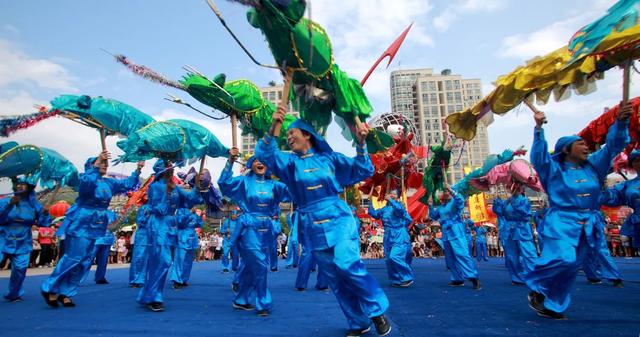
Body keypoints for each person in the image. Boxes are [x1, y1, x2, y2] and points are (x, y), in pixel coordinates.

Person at [255, 110, 391, 337]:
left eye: (292, 133)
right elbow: (265, 155)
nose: (288, 137)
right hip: (311, 224)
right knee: (335, 279)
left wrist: (360, 144)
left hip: (338, 217)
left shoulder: (330, 158)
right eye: (286, 134)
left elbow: (363, 169)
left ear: (307, 135)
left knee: (347, 264)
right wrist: (274, 128)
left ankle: (377, 311)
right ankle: (358, 323)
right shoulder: (289, 163)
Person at [525, 102, 631, 320]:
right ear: (566, 149)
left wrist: (621, 121)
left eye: (586, 144)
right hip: (561, 222)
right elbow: (539, 158)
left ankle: (553, 304)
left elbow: (613, 146)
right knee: (563, 258)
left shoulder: (594, 166)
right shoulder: (553, 170)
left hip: (589, 224)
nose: (586, 147)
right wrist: (538, 128)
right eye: (580, 143)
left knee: (572, 266)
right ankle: (538, 287)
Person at [41, 152, 142, 308]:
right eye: (100, 162)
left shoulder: (109, 183)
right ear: (91, 165)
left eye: (105, 163)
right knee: (74, 256)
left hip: (97, 223)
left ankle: (67, 292)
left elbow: (127, 184)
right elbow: (87, 185)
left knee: (85, 260)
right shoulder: (86, 179)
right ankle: (50, 287)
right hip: (81, 221)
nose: (104, 164)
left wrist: (138, 169)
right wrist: (96, 165)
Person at [218, 151, 290, 317]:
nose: (260, 163)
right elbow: (224, 183)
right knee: (260, 265)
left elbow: (292, 190)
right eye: (257, 160)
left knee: (251, 268)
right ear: (251, 164)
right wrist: (230, 161)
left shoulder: (274, 185)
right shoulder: (244, 182)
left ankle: (241, 299)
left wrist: (285, 170)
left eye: (264, 160)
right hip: (248, 227)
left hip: (266, 230)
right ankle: (263, 302)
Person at [137, 159, 202, 312]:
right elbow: (158, 208)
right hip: (158, 225)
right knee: (163, 261)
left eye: (172, 169)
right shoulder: (155, 186)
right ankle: (154, 296)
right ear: (161, 171)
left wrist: (197, 187)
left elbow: (190, 200)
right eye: (168, 169)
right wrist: (168, 192)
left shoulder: (176, 188)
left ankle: (149, 295)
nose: (171, 171)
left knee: (162, 262)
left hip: (170, 226)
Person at [0, 178, 51, 302]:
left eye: (24, 184)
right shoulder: (5, 201)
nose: (20, 186)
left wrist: (44, 213)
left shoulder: (34, 205)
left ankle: (14, 293)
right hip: (4, 237)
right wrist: (9, 206)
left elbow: (44, 224)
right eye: (18, 184)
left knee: (20, 269)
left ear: (29, 187)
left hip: (23, 240)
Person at [429, 184, 481, 290]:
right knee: (450, 258)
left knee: (462, 254)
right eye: (445, 191)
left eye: (448, 191)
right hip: (446, 235)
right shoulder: (441, 207)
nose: (446, 192)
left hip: (456, 232)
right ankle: (457, 279)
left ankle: (473, 277)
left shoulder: (455, 202)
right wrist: (430, 205)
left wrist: (452, 190)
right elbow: (434, 216)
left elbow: (461, 201)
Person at [367, 190, 414, 287]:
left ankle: (407, 277)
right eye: (390, 193)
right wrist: (370, 201)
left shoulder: (400, 206)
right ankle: (397, 279)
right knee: (389, 259)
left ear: (397, 197)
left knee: (395, 256)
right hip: (388, 235)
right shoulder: (384, 209)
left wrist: (391, 200)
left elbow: (401, 212)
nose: (392, 195)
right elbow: (374, 214)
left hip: (399, 234)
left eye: (394, 194)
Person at [493, 185, 537, 285]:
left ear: (521, 189)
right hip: (509, 231)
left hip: (522, 229)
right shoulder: (507, 201)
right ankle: (517, 278)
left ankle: (533, 276)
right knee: (511, 256)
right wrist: (496, 202)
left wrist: (514, 204)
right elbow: (500, 213)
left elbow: (526, 215)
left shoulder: (524, 200)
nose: (513, 189)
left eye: (516, 187)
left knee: (528, 254)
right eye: (511, 186)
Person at [170, 207, 203, 288]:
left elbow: (199, 225)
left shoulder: (195, 214)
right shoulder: (181, 210)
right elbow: (180, 223)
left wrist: (200, 216)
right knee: (179, 259)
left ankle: (184, 279)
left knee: (188, 261)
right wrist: (189, 213)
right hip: (182, 238)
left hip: (192, 240)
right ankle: (177, 280)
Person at [129, 205, 151, 288]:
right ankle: (136, 279)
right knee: (139, 257)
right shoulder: (144, 208)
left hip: (155, 235)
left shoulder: (160, 206)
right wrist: (147, 216)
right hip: (143, 235)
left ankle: (147, 279)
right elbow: (140, 221)